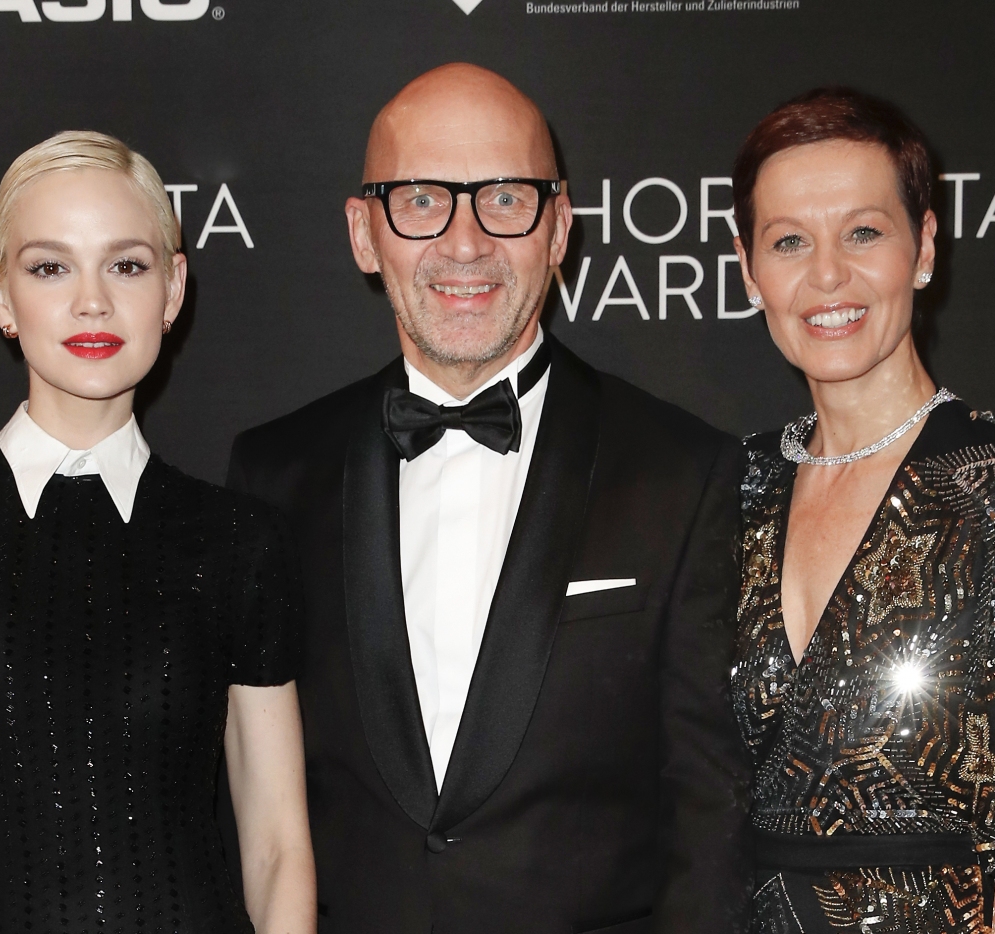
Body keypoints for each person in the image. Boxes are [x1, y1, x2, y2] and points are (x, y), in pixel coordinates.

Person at [226, 63, 752, 934]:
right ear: (364, 234)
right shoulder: (274, 474)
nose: (465, 242)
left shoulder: (683, 471)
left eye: (505, 199)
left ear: (559, 227)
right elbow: (250, 805)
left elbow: (710, 815)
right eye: (421, 200)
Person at [0, 131, 315, 934]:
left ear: (173, 288)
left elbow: (279, 849)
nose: (93, 302)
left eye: (127, 265)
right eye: (50, 267)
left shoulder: (237, 540)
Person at [729, 88, 995, 934]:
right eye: (789, 241)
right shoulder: (735, 489)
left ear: (924, 247)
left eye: (863, 232)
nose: (827, 275)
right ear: (750, 271)